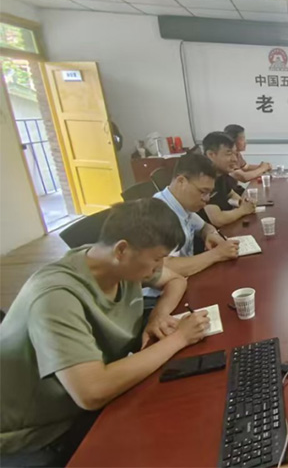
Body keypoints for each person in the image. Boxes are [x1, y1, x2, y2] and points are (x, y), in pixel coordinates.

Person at [0, 200, 210, 465]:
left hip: (89, 405)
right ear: (121, 249)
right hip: (38, 435)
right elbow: (92, 392)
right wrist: (179, 338)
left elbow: (176, 280)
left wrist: (158, 315)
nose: (159, 268)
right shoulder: (56, 296)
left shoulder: (114, 263)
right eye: (157, 259)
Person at [153, 153, 240, 277]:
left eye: (209, 193)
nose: (207, 199)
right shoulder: (159, 213)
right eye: (203, 192)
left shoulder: (182, 205)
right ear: (181, 181)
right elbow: (165, 267)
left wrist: (210, 234)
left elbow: (204, 226)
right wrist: (217, 254)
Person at [198, 132, 256, 227]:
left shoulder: (220, 173)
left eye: (235, 154)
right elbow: (218, 219)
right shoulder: (204, 179)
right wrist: (243, 210)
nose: (235, 159)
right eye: (228, 154)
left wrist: (243, 202)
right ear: (211, 154)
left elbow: (230, 194)